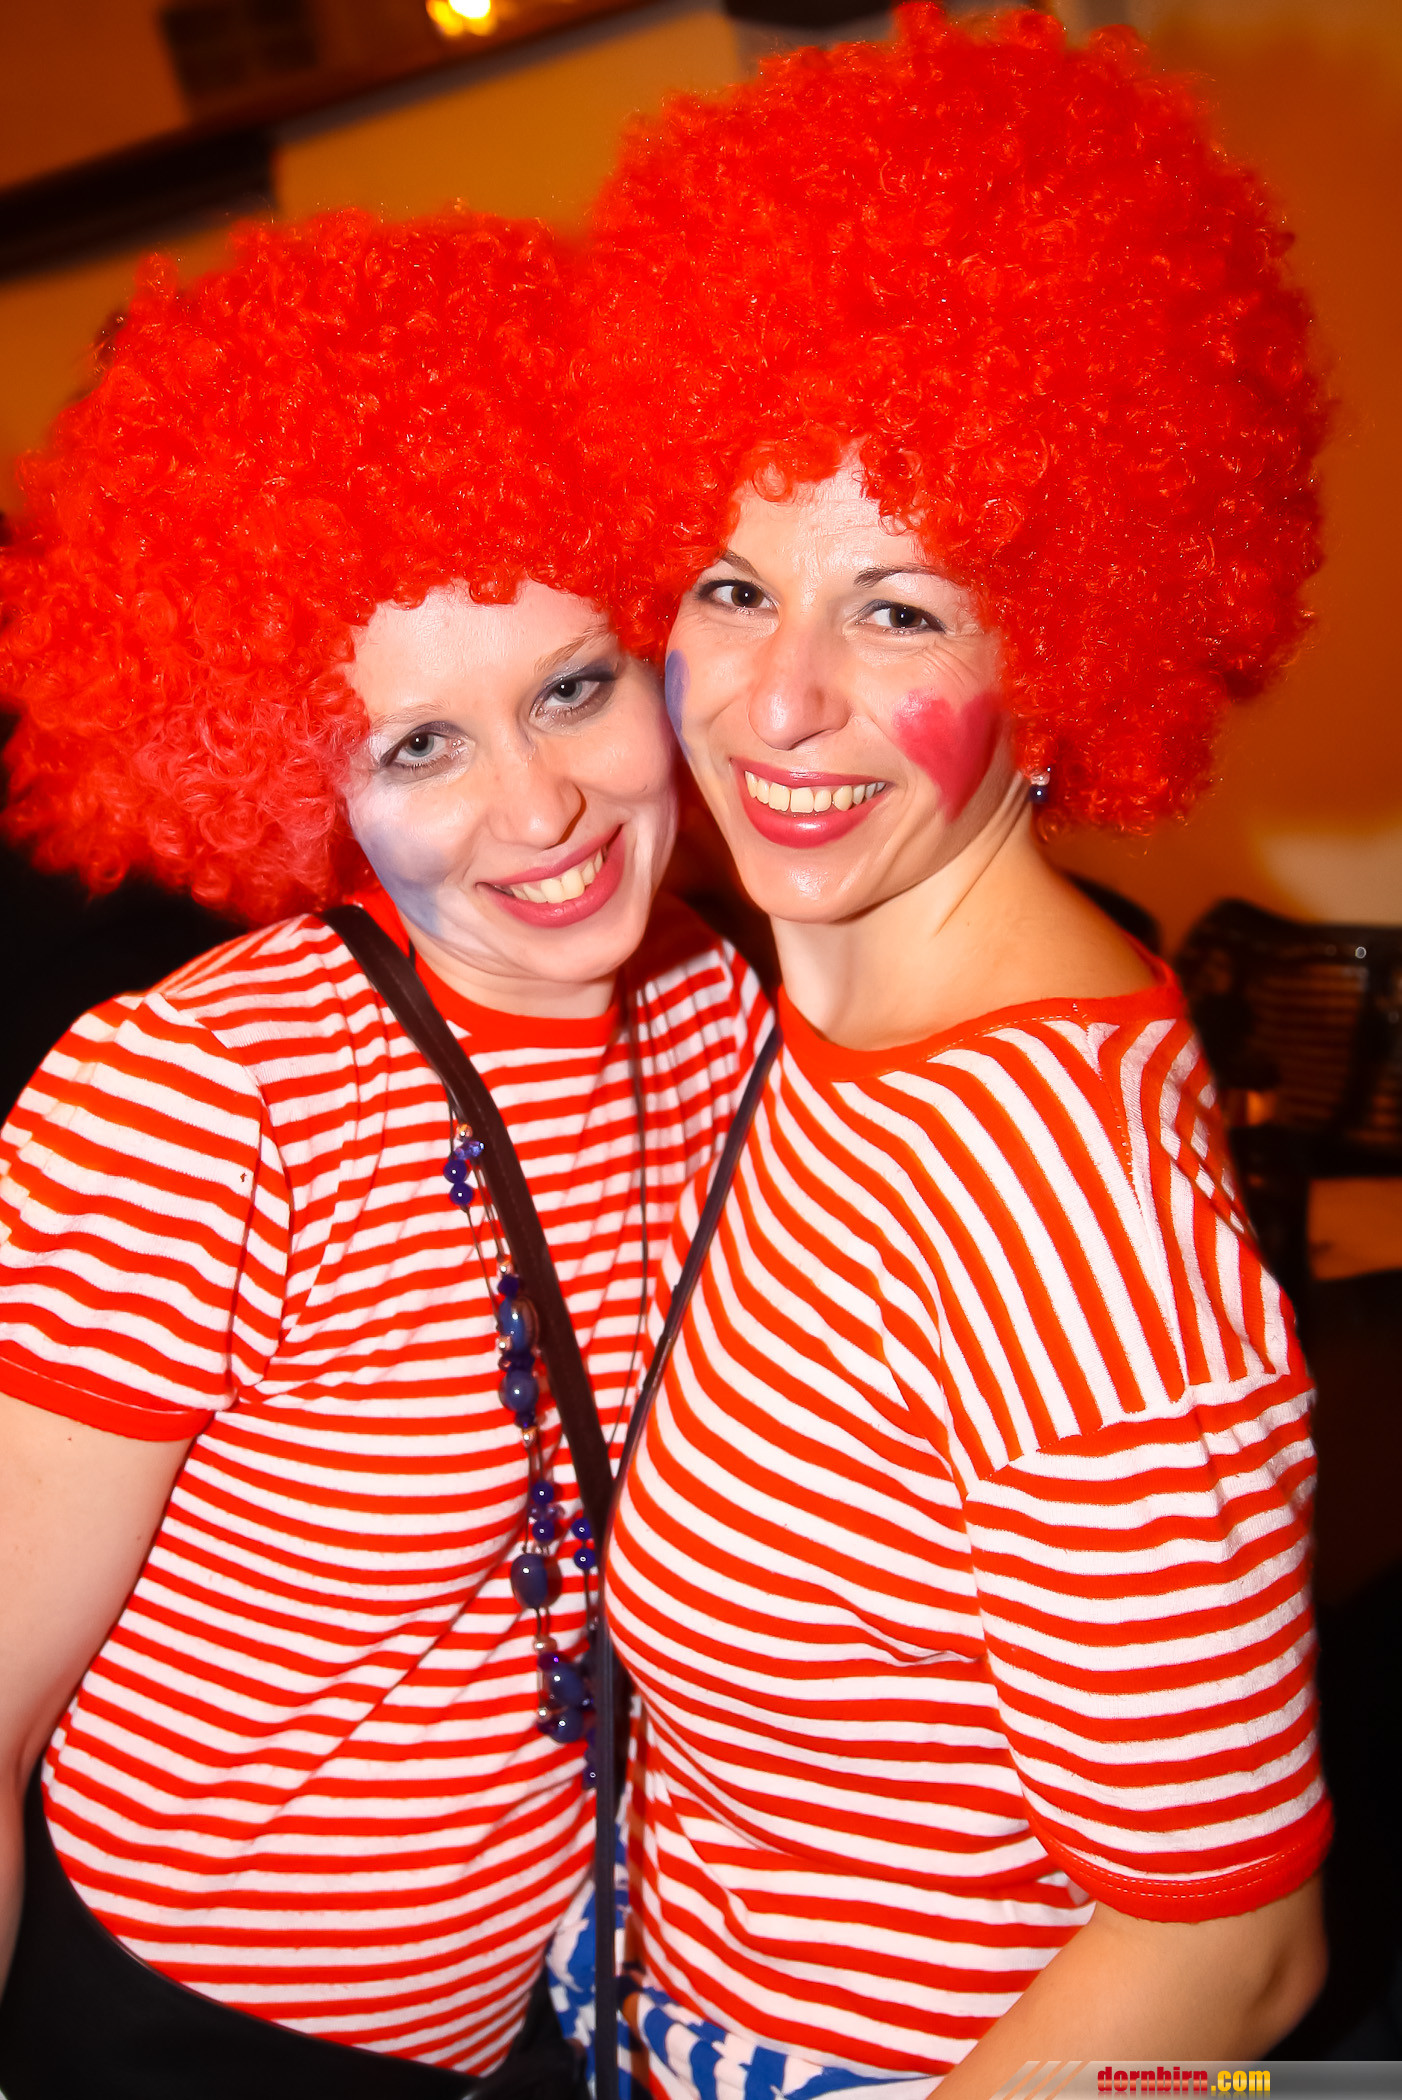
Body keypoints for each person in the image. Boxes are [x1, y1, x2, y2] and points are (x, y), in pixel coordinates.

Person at [578, 10, 1331, 2095]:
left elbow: (1229, 1960)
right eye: (732, 584)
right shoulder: (806, 1021)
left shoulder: (1047, 1187)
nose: (777, 701)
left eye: (900, 610)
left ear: (1070, 641)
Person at [0, 208, 765, 2097]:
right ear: (289, 766)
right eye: (417, 745)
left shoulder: (718, 1004)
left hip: (559, 2011)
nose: (542, 806)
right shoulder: (196, 1101)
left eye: (573, 686)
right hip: (197, 2039)